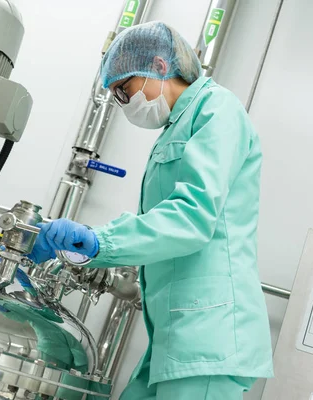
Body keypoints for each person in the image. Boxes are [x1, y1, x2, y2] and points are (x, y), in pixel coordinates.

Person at [27, 21, 273, 399]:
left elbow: (191, 217)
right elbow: (158, 223)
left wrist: (98, 242)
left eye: (123, 90)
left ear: (159, 66)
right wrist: (85, 246)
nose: (123, 104)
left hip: (210, 338)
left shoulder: (217, 111)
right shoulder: (175, 127)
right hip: (175, 337)